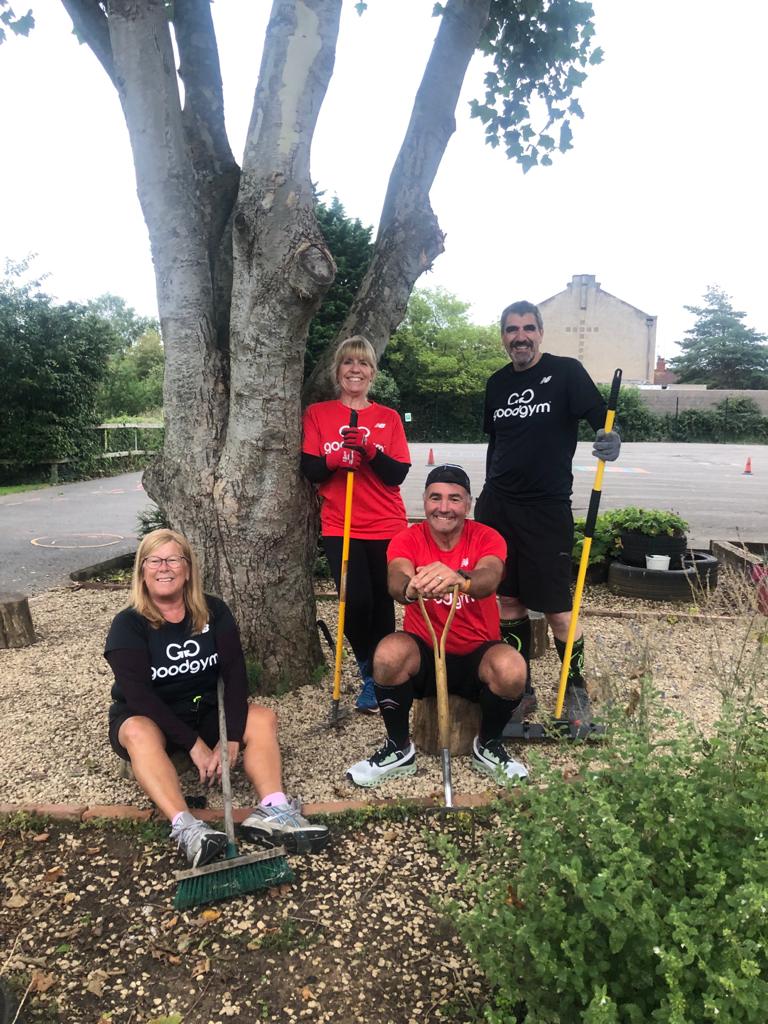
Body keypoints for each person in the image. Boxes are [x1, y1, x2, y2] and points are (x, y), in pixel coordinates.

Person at [105, 529, 329, 868]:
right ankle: (187, 827)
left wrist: (233, 737)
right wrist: (195, 745)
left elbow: (235, 674)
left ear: (188, 568)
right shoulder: (128, 625)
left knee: (263, 717)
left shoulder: (213, 612)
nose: (164, 568)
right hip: (151, 716)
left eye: (173, 559)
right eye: (154, 560)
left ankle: (273, 808)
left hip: (205, 709)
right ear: (142, 570)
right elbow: (139, 697)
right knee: (138, 730)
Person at [474, 300, 621, 724]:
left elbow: (602, 419)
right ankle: (522, 687)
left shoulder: (566, 373)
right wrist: (486, 497)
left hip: (546, 508)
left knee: (558, 606)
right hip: (499, 507)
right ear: (503, 336)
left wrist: (611, 438)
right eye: (511, 329)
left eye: (528, 328)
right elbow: (497, 443)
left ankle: (573, 686)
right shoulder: (497, 383)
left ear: (540, 332)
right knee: (508, 599)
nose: (520, 336)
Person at [346, 464, 529, 787]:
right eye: (436, 498)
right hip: (426, 653)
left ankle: (488, 744)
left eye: (454, 499)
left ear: (468, 504)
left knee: (513, 668)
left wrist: (462, 578)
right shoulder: (408, 538)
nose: (444, 507)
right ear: (425, 501)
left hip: (477, 655)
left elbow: (490, 575)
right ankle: (398, 748)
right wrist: (409, 588)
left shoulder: (487, 536)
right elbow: (396, 578)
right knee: (387, 654)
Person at [302, 335, 411, 713]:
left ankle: (382, 677)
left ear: (372, 372)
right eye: (348, 362)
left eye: (363, 364)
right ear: (338, 371)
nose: (355, 370)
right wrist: (335, 462)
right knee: (354, 600)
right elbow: (310, 467)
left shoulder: (388, 418)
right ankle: (369, 666)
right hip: (339, 524)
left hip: (386, 524)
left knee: (383, 603)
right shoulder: (319, 414)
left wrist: (369, 451)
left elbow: (397, 473)